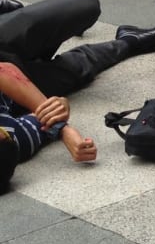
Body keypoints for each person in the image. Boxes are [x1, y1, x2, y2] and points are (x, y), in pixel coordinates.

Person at [0, 0, 155, 107]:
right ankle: (130, 41)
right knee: (77, 69)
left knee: (85, 5)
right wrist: (58, 127)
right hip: (9, 96)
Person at [0, 61, 97, 193]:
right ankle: (129, 42)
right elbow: (45, 117)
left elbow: (3, 69)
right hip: (19, 77)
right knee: (71, 71)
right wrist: (58, 116)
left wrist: (63, 128)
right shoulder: (18, 139)